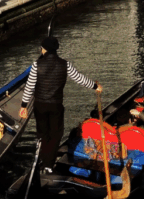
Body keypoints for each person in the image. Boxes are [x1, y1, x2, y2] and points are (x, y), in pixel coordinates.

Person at [18, 36, 102, 172]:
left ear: (43, 49)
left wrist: (23, 106)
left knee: (42, 134)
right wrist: (95, 86)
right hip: (56, 105)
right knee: (56, 135)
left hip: (40, 105)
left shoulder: (36, 65)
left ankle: (42, 161)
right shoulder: (65, 64)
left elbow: (29, 87)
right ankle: (49, 165)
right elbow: (79, 78)